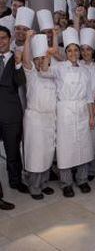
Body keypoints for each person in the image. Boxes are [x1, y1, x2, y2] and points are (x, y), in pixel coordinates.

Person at [40, 27, 95, 197]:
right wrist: (48, 56)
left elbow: (89, 97)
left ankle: (82, 179)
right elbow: (43, 72)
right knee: (65, 148)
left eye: (75, 50)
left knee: (84, 146)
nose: (73, 53)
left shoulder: (86, 71)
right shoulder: (60, 67)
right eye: (69, 50)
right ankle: (66, 183)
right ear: (66, 52)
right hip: (64, 111)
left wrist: (92, 116)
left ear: (79, 52)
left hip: (82, 111)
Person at [22, 31, 56, 200]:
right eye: (38, 59)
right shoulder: (31, 74)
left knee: (47, 153)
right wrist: (28, 39)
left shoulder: (51, 75)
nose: (41, 61)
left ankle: (44, 182)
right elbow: (26, 59)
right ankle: (34, 185)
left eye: (44, 58)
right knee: (35, 153)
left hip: (50, 119)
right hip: (35, 119)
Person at [0, 25, 28, 194]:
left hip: (11, 113)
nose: (0, 41)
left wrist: (18, 64)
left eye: (3, 37)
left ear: (9, 39)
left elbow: (21, 82)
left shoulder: (17, 58)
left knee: (12, 151)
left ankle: (15, 181)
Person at [79, 28, 95, 181]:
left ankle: (91, 169)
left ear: (93, 51)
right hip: (77, 108)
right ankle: (78, 167)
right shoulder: (77, 65)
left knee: (90, 140)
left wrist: (93, 114)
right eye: (82, 50)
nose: (85, 52)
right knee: (78, 140)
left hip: (91, 109)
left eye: (88, 49)